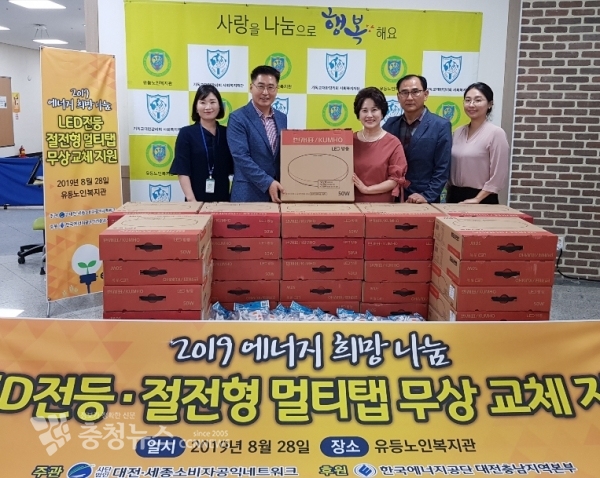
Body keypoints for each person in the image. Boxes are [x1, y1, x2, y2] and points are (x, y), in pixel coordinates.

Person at [383, 74, 452, 203]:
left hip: (423, 199)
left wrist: (427, 196)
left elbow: (442, 167)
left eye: (415, 92)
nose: (409, 97)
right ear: (398, 97)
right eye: (404, 93)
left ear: (425, 94)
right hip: (392, 196)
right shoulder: (390, 124)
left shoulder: (440, 126)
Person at [227, 65, 288, 202]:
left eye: (271, 87)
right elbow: (241, 157)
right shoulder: (238, 118)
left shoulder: (282, 118)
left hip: (277, 193)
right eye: (260, 86)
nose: (265, 92)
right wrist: (268, 182)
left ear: (277, 89)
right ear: (251, 87)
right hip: (248, 194)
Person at [447, 82, 509, 204]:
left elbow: (498, 175)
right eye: (468, 100)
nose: (471, 105)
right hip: (453, 196)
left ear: (490, 104)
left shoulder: (496, 133)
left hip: (482, 199)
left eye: (478, 100)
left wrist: (477, 199)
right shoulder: (458, 132)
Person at [169, 84, 233, 202]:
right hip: (195, 199)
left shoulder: (227, 133)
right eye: (203, 102)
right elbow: (182, 169)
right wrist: (191, 200)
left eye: (212, 102)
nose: (208, 107)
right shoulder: (186, 133)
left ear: (219, 106)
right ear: (196, 107)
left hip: (224, 200)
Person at [352, 87, 408, 203]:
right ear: (358, 114)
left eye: (374, 110)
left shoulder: (393, 143)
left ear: (382, 113)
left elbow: (395, 180)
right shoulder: (349, 141)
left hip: (381, 205)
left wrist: (366, 189)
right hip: (351, 204)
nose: (369, 115)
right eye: (364, 110)